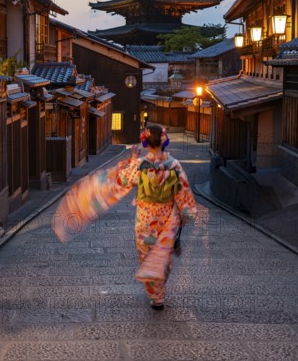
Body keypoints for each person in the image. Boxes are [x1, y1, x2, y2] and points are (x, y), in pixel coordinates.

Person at [53, 124, 197, 310]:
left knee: (147, 257)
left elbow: (119, 180)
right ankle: (159, 288)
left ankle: (156, 296)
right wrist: (186, 212)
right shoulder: (175, 166)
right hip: (166, 219)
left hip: (145, 220)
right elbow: (183, 193)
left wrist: (131, 160)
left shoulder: (140, 165)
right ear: (164, 141)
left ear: (145, 142)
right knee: (163, 258)